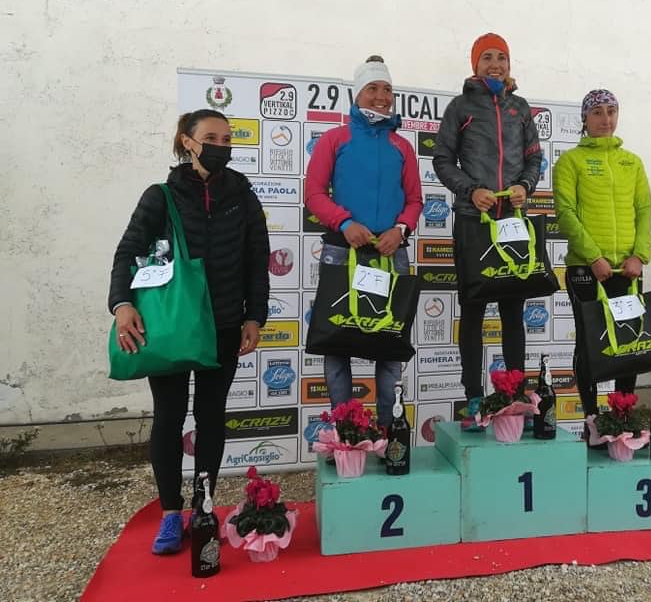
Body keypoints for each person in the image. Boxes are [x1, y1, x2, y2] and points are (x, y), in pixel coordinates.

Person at [108, 108, 269, 555]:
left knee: (212, 416)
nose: (221, 146)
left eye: (227, 139)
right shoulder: (160, 196)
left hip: (223, 325)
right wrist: (122, 304)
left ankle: (204, 506)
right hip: (172, 328)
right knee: (169, 416)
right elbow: (127, 251)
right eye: (211, 138)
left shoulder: (243, 195)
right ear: (187, 142)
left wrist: (254, 316)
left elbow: (257, 259)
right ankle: (169, 513)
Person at [304, 55, 423, 427]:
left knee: (389, 344)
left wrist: (400, 229)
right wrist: (344, 223)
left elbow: (415, 200)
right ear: (357, 94)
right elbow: (314, 193)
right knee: (337, 342)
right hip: (343, 251)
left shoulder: (402, 146)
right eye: (373, 88)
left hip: (391, 253)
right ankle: (346, 432)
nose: (382, 96)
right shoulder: (334, 139)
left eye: (387, 89)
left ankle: (389, 433)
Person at [432, 33, 543, 427]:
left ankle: (515, 393)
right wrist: (471, 190)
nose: (495, 64)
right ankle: (474, 396)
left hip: (511, 222)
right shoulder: (460, 106)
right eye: (487, 58)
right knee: (474, 310)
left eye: (502, 58)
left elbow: (534, 159)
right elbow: (442, 160)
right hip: (473, 220)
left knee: (513, 311)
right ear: (475, 64)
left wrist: (524, 186)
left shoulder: (520, 108)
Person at [553, 89, 651, 432]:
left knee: (629, 344)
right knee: (589, 342)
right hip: (587, 269)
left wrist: (640, 255)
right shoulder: (571, 161)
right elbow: (565, 213)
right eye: (597, 112)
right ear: (584, 118)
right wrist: (593, 256)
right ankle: (591, 419)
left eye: (611, 111)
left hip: (628, 269)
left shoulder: (632, 162)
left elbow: (644, 211)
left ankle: (623, 416)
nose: (606, 119)